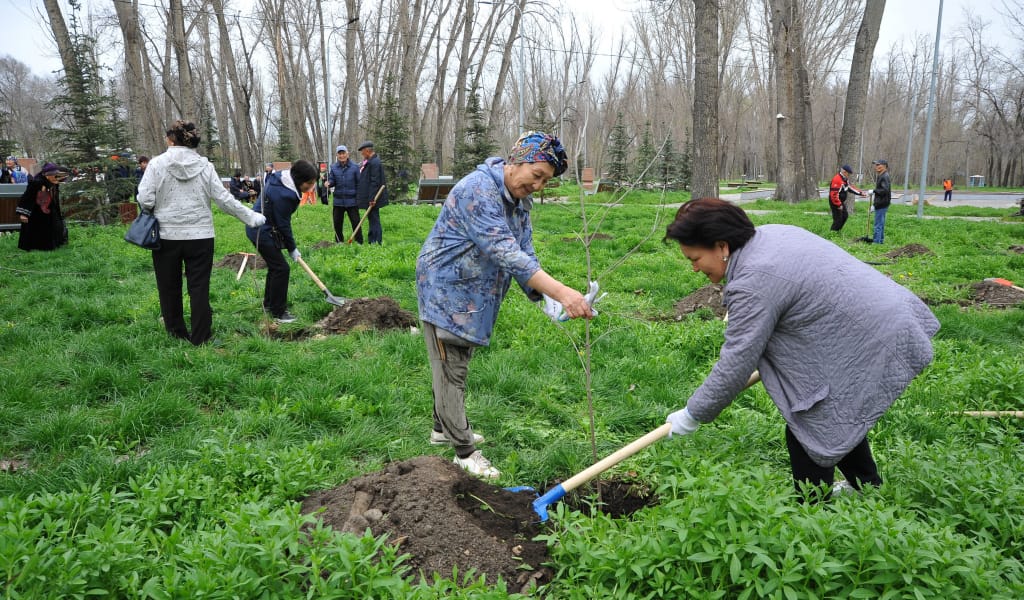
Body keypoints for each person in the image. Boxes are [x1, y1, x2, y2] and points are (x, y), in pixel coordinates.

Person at [663, 198, 939, 501]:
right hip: (882, 318)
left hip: (870, 335)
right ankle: (867, 487)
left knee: (811, 424)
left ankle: (811, 515)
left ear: (722, 246)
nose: (693, 268)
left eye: (695, 258)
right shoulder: (771, 235)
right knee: (834, 412)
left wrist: (694, 412)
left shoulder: (754, 281)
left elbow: (737, 361)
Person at [416, 131, 594, 479]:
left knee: (457, 358)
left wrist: (545, 298)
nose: (539, 186)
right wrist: (563, 293)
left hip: (475, 291)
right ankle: (464, 451)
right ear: (516, 161)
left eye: (546, 181)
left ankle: (442, 426)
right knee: (450, 364)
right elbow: (505, 252)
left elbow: (525, 251)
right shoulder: (478, 190)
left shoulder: (517, 201)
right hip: (446, 289)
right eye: (537, 175)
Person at [137, 119, 267, 346]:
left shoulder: (156, 164)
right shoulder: (205, 167)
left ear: (170, 140)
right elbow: (224, 200)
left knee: (169, 287)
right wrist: (251, 217)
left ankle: (176, 334)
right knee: (199, 287)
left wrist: (154, 207)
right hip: (201, 236)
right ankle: (201, 337)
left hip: (167, 236)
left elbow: (145, 199)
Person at [245, 159, 319, 323]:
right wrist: (292, 248)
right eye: (310, 183)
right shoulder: (285, 195)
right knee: (281, 268)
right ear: (300, 180)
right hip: (261, 231)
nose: (311, 187)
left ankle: (270, 305)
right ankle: (278, 312)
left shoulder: (281, 177)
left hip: (260, 227)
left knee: (275, 267)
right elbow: (283, 224)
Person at [16, 162, 68, 251]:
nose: (54, 176)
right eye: (52, 174)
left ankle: (54, 245)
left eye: (55, 174)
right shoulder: (36, 183)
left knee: (56, 226)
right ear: (45, 175)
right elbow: (27, 197)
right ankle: (37, 247)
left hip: (50, 209)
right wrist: (23, 214)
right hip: (36, 211)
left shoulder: (54, 181)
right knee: (38, 229)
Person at [355, 140, 388, 244]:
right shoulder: (371, 161)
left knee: (374, 219)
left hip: (373, 198)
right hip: (371, 197)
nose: (362, 154)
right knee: (372, 218)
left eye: (363, 152)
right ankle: (372, 240)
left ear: (367, 151)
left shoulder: (374, 162)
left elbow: (374, 182)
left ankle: (376, 241)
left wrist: (372, 198)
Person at [327, 144, 360, 243]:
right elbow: (332, 181)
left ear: (347, 154)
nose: (342, 156)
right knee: (337, 223)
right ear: (337, 155)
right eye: (339, 154)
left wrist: (359, 198)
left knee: (356, 222)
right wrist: (329, 183)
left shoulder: (355, 167)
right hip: (338, 201)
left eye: (343, 153)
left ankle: (359, 241)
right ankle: (339, 242)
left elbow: (359, 183)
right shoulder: (333, 167)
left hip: (352, 201)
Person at [827, 165, 864, 232]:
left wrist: (860, 193)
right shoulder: (837, 179)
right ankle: (832, 233)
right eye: (848, 173)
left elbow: (849, 187)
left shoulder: (844, 179)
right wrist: (838, 205)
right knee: (838, 219)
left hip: (840, 201)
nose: (849, 175)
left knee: (845, 216)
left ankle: (837, 231)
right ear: (844, 172)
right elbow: (834, 195)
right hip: (835, 202)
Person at [870, 159, 891, 244]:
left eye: (879, 165)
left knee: (878, 224)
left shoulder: (884, 176)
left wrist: (874, 191)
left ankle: (876, 243)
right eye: (876, 165)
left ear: (884, 166)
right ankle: (880, 241)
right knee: (880, 223)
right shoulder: (882, 175)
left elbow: (884, 190)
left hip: (882, 203)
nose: (877, 167)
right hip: (882, 203)